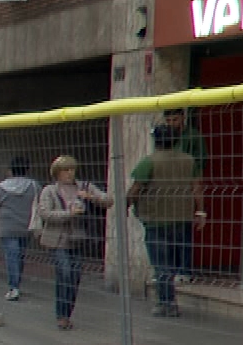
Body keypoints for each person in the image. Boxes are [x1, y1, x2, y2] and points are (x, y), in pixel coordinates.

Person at [128, 125, 203, 318]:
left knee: (161, 264)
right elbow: (197, 187)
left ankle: (166, 302)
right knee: (175, 260)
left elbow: (136, 188)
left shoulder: (149, 162)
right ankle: (170, 298)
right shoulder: (189, 161)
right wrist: (200, 211)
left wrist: (126, 205)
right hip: (182, 217)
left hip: (156, 219)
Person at [35, 154, 113, 331]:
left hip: (77, 238)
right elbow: (45, 213)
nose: (69, 174)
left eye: (72, 169)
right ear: (57, 173)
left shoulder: (84, 186)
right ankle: (61, 315)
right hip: (57, 240)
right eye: (65, 170)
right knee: (64, 272)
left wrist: (91, 197)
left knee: (75, 277)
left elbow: (109, 200)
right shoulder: (49, 191)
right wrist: (69, 214)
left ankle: (67, 312)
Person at [0, 155, 39, 301]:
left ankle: (14, 287)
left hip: (7, 226)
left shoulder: (2, 187)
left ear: (11, 170)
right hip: (26, 226)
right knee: (20, 256)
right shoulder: (34, 186)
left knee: (11, 256)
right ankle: (17, 283)